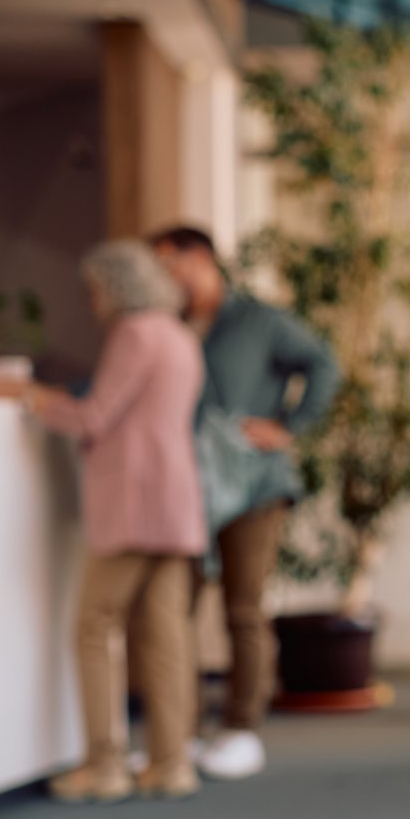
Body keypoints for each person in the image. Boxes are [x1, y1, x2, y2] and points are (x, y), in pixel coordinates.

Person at [0, 240, 206, 802]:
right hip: (176, 500)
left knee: (94, 626)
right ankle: (171, 763)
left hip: (134, 503)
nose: (92, 303)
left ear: (115, 286)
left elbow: (93, 418)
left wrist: (30, 396)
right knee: (167, 638)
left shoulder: (135, 333)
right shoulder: (180, 334)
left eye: (94, 290)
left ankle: (104, 766)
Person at [148, 226, 340, 781]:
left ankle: (240, 728)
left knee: (242, 607)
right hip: (189, 487)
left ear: (200, 258)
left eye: (167, 262)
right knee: (173, 608)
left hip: (254, 486)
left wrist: (288, 426)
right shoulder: (170, 327)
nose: (163, 275)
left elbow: (323, 364)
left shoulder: (259, 319)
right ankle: (176, 733)